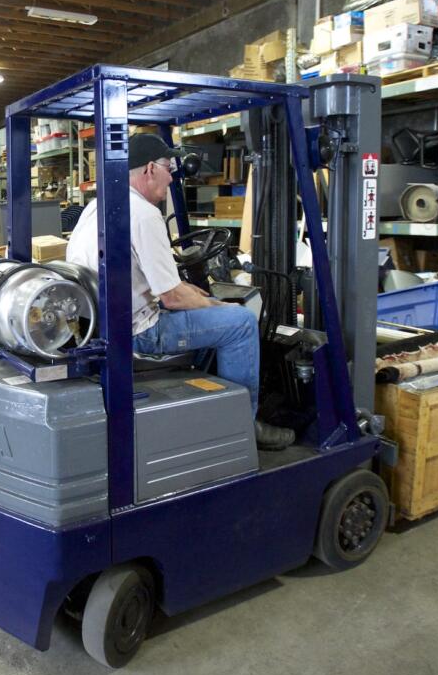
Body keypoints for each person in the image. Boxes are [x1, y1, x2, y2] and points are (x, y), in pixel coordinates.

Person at [65, 133, 294, 451]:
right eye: (167, 168)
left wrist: (201, 299)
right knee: (240, 322)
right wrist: (214, 303)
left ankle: (205, 401)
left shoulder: (98, 207)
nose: (171, 176)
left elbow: (162, 284)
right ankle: (243, 424)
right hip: (138, 332)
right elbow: (171, 297)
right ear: (148, 170)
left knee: (208, 311)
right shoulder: (144, 215)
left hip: (104, 324)